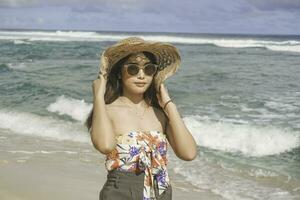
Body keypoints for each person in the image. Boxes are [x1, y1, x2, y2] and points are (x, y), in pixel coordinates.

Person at [85, 37, 197, 200]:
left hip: (161, 191)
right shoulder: (108, 110)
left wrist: (168, 104)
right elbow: (105, 145)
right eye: (133, 69)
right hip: (121, 192)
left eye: (149, 69)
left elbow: (189, 153)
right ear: (119, 73)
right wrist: (98, 97)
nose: (141, 75)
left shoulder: (160, 114)